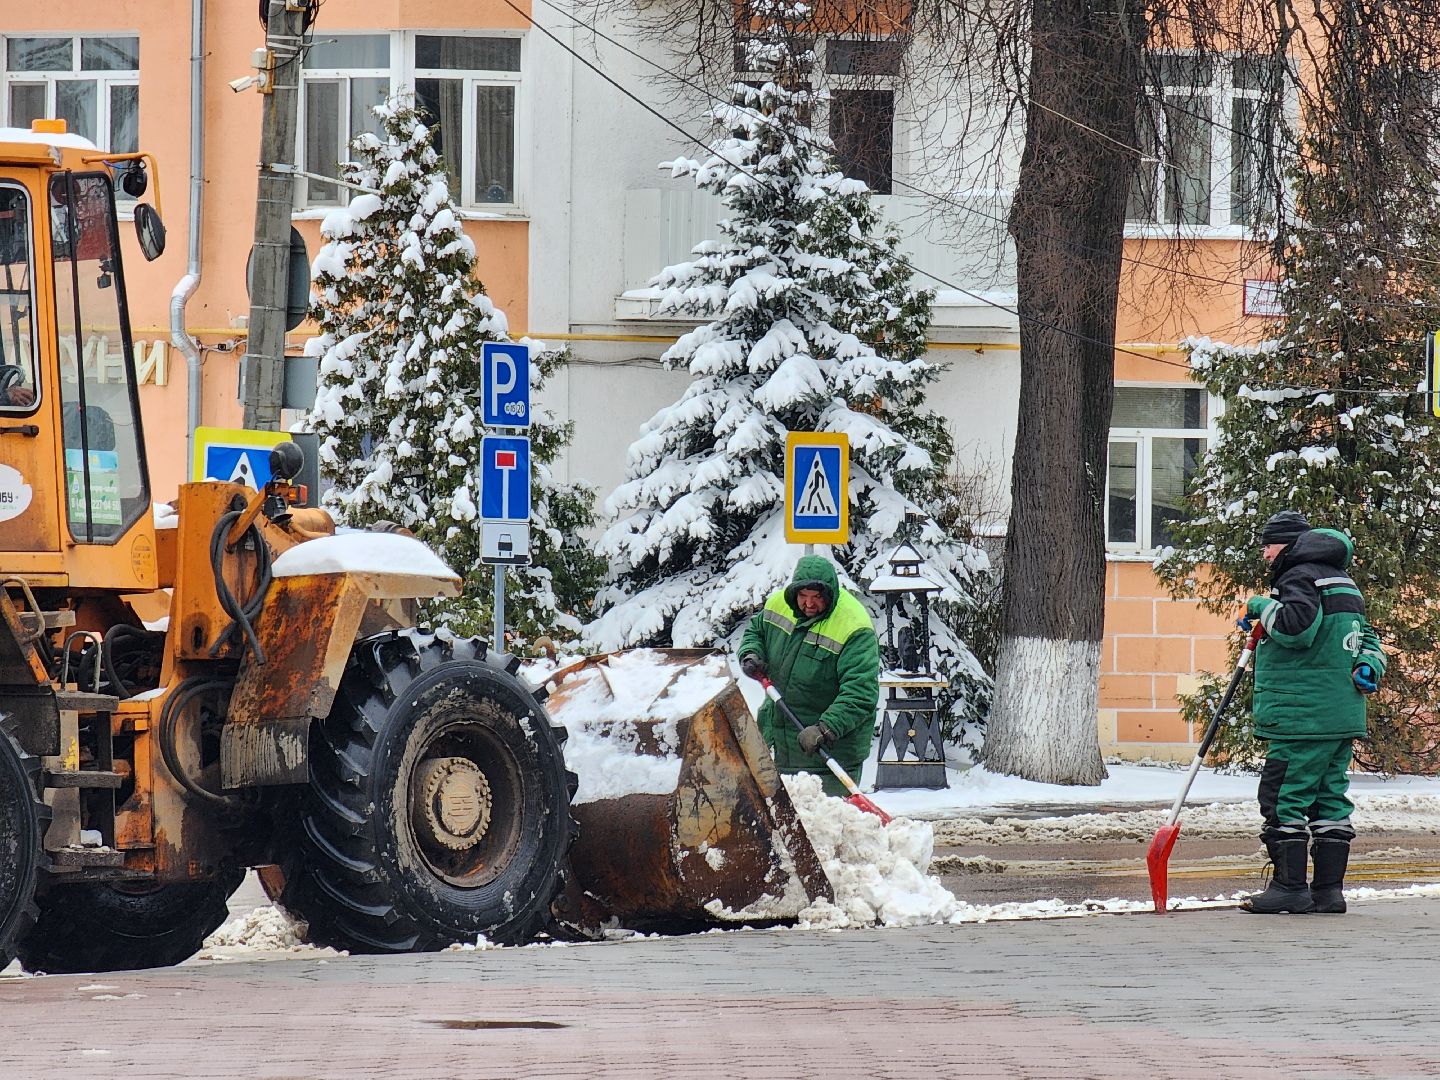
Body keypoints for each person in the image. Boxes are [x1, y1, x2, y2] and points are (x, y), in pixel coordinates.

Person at [1238, 510, 1386, 915]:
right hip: (1339, 714)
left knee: (1283, 797)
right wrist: (1369, 665)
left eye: (1269, 544)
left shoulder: (1298, 576)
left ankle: (1290, 888)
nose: (1266, 553)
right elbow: (1367, 638)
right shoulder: (1342, 581)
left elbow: (1295, 630)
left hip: (1302, 715)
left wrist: (1259, 608)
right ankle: (1328, 893)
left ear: (1287, 544)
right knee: (1329, 801)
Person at [738, 554, 880, 798]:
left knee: (826, 825)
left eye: (816, 598)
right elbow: (756, 630)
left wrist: (825, 729)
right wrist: (751, 652)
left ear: (830, 594)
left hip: (829, 754)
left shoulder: (854, 627)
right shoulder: (779, 605)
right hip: (779, 741)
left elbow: (861, 693)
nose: (809, 604)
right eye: (803, 596)